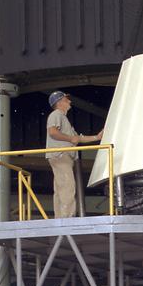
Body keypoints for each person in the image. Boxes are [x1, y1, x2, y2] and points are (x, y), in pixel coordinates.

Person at [45, 91, 104, 219]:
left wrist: (97, 137)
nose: (70, 101)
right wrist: (69, 139)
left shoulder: (63, 118)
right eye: (67, 100)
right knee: (68, 186)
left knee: (61, 188)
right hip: (61, 155)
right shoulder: (56, 114)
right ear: (59, 102)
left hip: (60, 156)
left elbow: (77, 138)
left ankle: (60, 217)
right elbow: (52, 132)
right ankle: (67, 217)